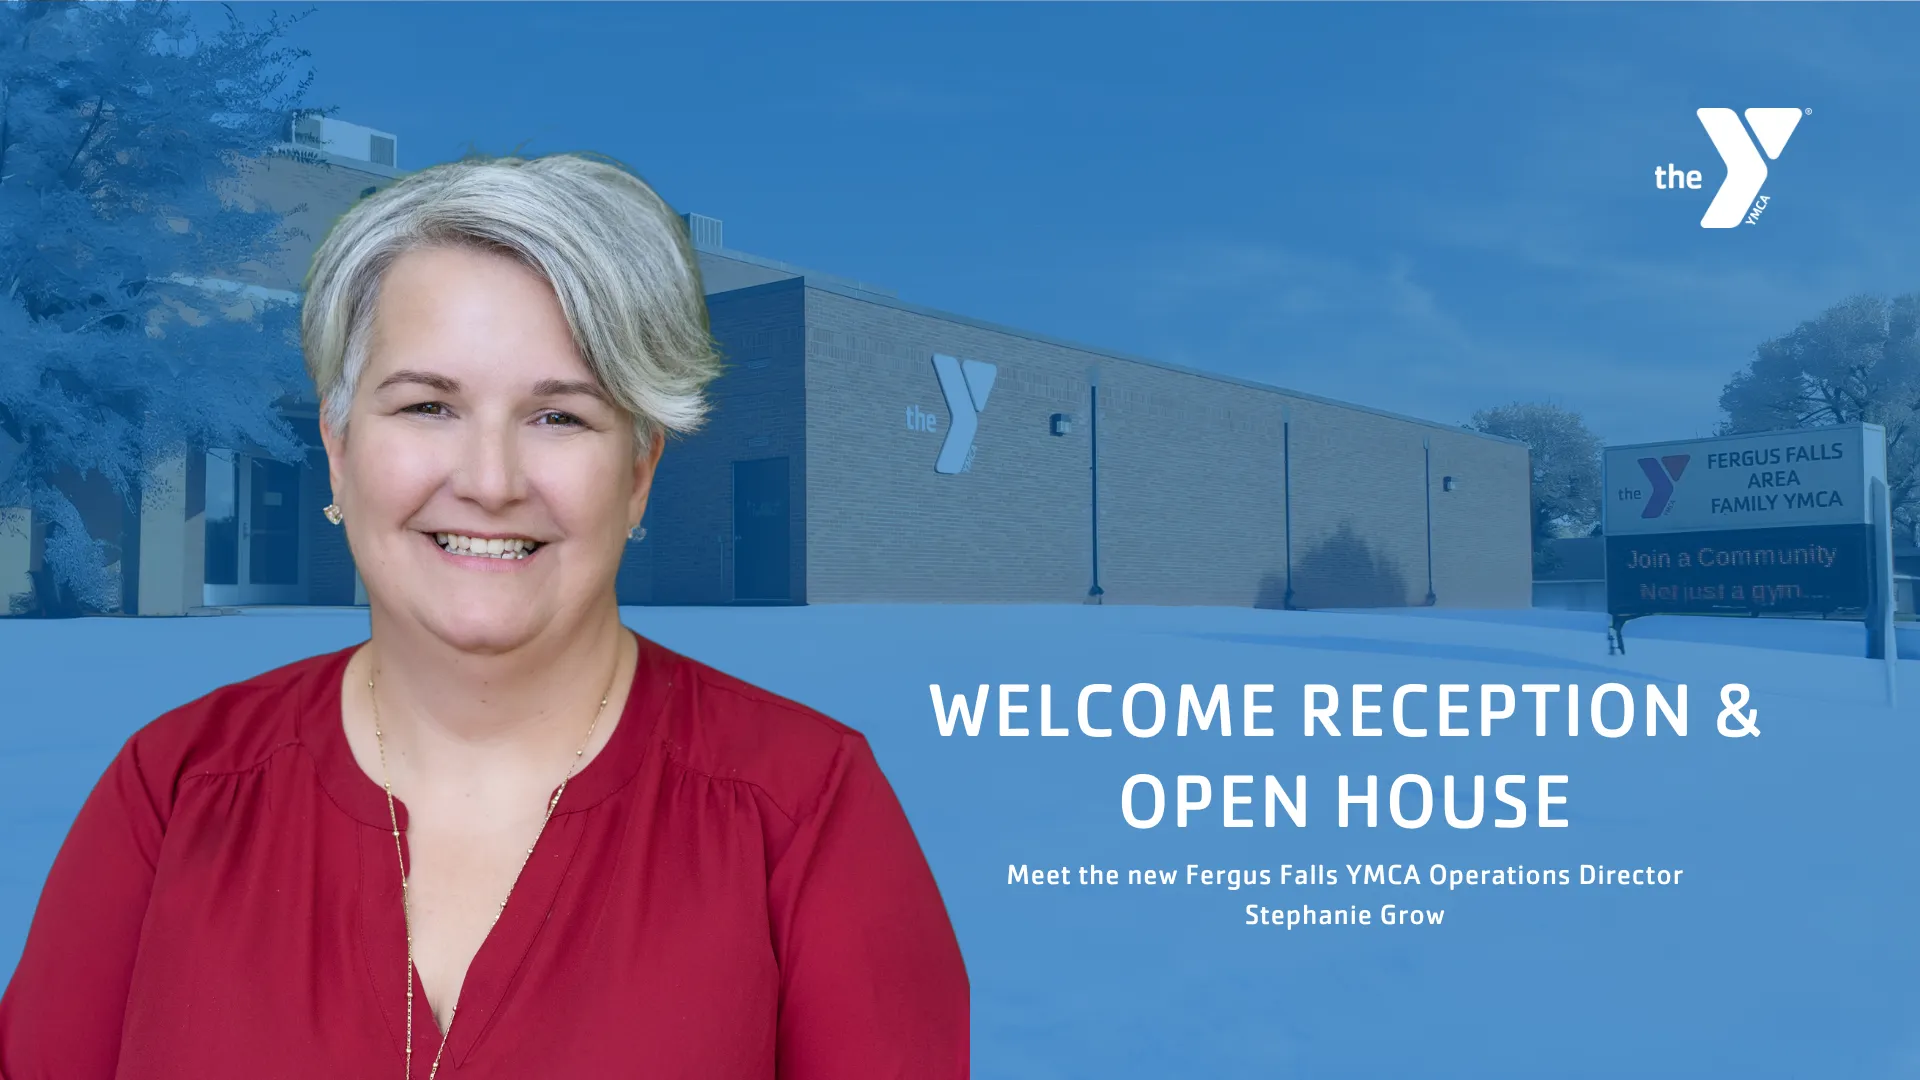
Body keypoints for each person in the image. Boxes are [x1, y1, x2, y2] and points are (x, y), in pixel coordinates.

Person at [0, 151, 969, 1078]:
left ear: (638, 476)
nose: (491, 481)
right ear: (338, 452)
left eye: (560, 416)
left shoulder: (802, 811)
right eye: (427, 407)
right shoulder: (174, 793)